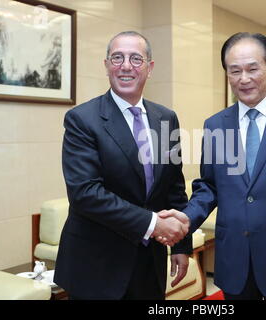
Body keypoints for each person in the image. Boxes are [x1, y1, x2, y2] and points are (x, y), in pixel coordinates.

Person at [159, 32, 266, 300]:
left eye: (253, 68)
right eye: (235, 70)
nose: (244, 78)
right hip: (234, 259)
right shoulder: (215, 125)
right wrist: (186, 219)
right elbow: (209, 186)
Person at [54, 31, 191, 300]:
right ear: (106, 65)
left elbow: (174, 187)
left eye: (135, 59)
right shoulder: (82, 119)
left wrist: (180, 246)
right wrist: (153, 223)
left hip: (149, 263)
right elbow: (85, 193)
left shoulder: (166, 118)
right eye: (117, 57)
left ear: (149, 68)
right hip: (97, 265)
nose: (126, 66)